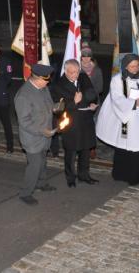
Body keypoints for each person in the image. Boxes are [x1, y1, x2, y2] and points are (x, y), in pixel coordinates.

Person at [96, 54, 139, 185]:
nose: (135, 68)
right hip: (128, 118)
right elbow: (117, 98)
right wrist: (134, 103)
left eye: (137, 65)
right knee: (127, 145)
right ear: (125, 66)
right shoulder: (117, 80)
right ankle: (126, 175)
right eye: (132, 66)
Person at [14, 63, 58, 205]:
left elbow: (49, 104)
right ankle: (25, 193)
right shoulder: (23, 95)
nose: (48, 82)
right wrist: (41, 130)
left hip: (45, 134)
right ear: (38, 78)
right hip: (32, 137)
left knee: (43, 160)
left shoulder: (43, 88)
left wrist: (56, 107)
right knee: (35, 164)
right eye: (46, 79)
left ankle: (41, 183)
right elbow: (24, 122)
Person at [51, 59, 99, 187]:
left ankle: (84, 175)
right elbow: (58, 108)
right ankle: (70, 178)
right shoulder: (58, 85)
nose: (75, 75)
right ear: (65, 71)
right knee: (71, 153)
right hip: (71, 124)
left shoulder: (83, 78)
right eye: (71, 72)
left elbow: (92, 93)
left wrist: (93, 103)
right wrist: (74, 102)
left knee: (85, 150)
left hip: (86, 121)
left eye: (77, 72)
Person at [80, 43, 103, 160]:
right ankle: (82, 146)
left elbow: (100, 88)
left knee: (93, 125)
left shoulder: (96, 70)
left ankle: (92, 148)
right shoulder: (77, 69)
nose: (86, 58)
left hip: (94, 101)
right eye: (84, 56)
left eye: (88, 56)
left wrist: (89, 92)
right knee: (81, 125)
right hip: (80, 102)